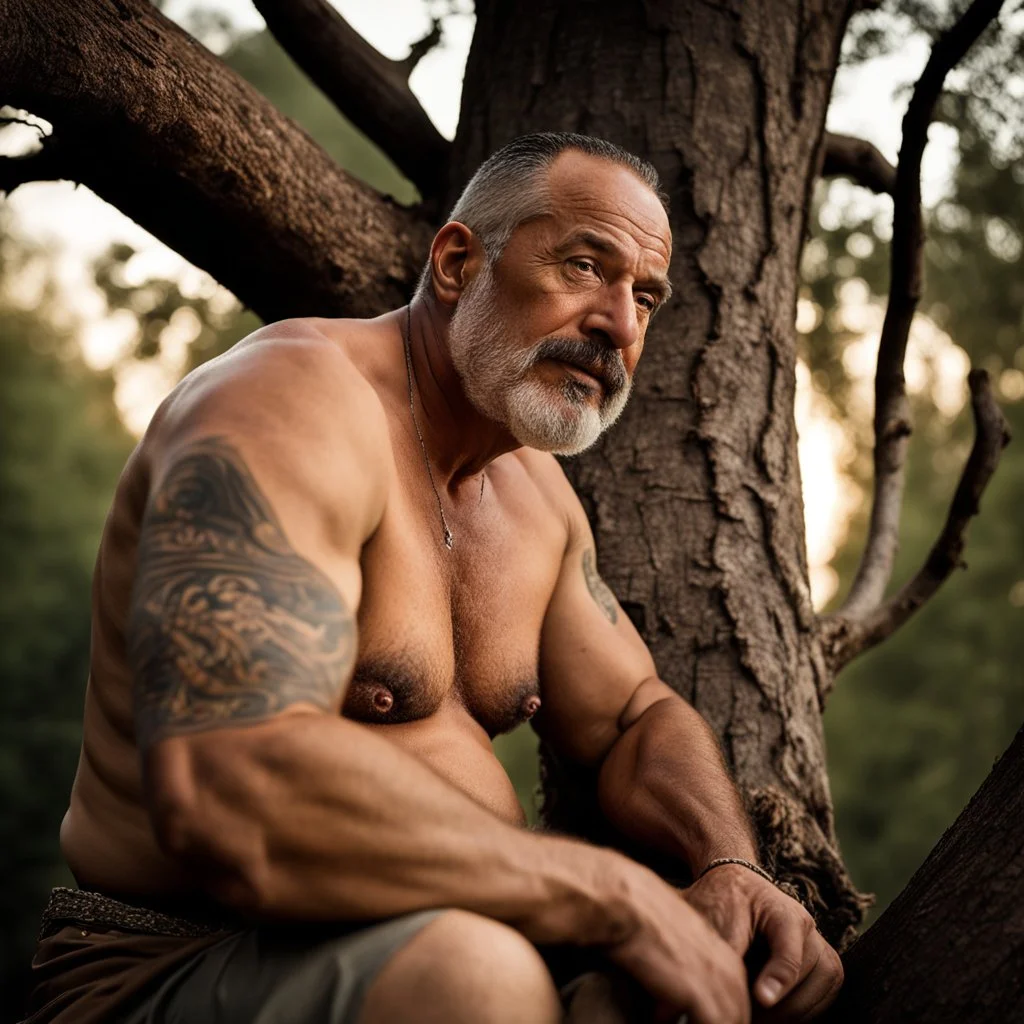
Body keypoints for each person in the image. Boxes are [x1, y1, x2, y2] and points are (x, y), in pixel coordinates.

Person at [24, 132, 842, 1024]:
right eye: (583, 267)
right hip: (166, 962)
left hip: (448, 948)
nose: (619, 325)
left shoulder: (537, 499)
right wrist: (611, 895)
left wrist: (728, 865)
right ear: (457, 263)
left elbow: (633, 716)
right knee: (477, 976)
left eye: (645, 296)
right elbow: (226, 784)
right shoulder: (289, 401)